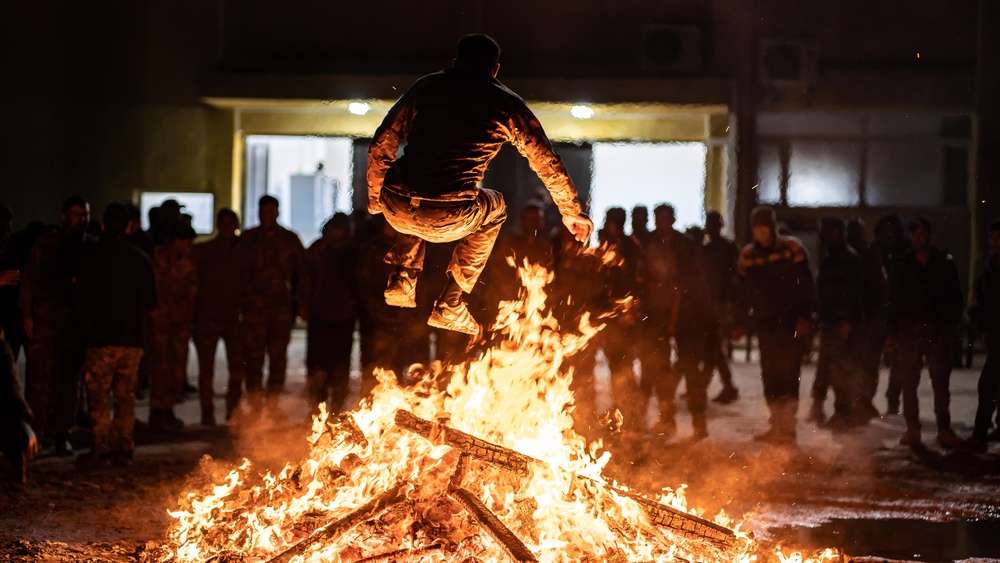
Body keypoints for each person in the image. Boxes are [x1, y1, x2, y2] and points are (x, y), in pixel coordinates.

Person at [367, 34, 593, 336]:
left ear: (455, 62)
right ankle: (452, 301)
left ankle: (403, 276)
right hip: (452, 213)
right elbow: (546, 162)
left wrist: (374, 198)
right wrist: (570, 211)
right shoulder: (507, 104)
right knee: (496, 205)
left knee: (412, 175)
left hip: (396, 206)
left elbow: (381, 144)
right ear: (495, 69)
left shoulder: (426, 87)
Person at [74, 202, 157, 468]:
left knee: (98, 398)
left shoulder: (90, 256)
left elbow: (79, 299)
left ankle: (101, 450)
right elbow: (152, 303)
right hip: (131, 340)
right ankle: (124, 449)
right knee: (125, 397)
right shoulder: (140, 258)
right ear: (130, 226)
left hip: (100, 339)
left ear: (102, 225)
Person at [737, 205, 815, 444]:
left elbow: (806, 285)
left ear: (772, 225)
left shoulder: (791, 248)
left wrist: (804, 316)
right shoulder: (748, 256)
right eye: (757, 226)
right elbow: (741, 292)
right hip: (765, 324)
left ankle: (788, 429)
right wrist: (739, 321)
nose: (762, 230)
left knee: (789, 374)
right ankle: (776, 424)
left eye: (765, 225)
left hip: (789, 323)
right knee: (770, 375)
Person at [19, 196, 91, 455]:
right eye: (75, 214)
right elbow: (29, 280)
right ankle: (34, 435)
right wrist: (26, 314)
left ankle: (62, 434)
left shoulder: (89, 248)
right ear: (64, 216)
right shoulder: (48, 244)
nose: (80, 219)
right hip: (46, 322)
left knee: (70, 384)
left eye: (84, 214)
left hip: (75, 327)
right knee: (39, 382)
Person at [887, 217, 963, 448]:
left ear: (929, 235)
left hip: (937, 331)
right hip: (909, 331)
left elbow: (955, 299)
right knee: (909, 381)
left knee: (940, 381)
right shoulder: (901, 264)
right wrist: (892, 331)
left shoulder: (944, 263)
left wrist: (948, 327)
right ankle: (913, 428)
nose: (918, 238)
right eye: (914, 234)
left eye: (922, 233)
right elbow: (892, 299)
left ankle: (943, 428)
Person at [639, 204, 711, 440]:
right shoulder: (647, 242)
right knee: (658, 371)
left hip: (686, 318)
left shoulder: (686, 245)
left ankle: (699, 424)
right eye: (658, 219)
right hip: (656, 314)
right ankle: (667, 421)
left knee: (691, 371)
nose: (662, 224)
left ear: (672, 220)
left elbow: (693, 283)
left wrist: (683, 310)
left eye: (666, 219)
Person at [240, 195, 305, 409]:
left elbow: (301, 275)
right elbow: (236, 273)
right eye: (263, 211)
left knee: (278, 360)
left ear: (277, 212)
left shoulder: (289, 239)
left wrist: (300, 303)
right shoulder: (248, 239)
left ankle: (273, 405)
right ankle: (255, 406)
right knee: (253, 359)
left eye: (270, 211)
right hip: (253, 311)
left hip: (280, 311)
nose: (266, 215)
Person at [357, 216, 429, 394]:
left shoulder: (416, 248)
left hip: (411, 322)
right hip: (381, 323)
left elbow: (425, 284)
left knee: (415, 370)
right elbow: (364, 286)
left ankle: (417, 410)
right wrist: (380, 313)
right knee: (381, 369)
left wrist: (419, 313)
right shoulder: (372, 249)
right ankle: (377, 411)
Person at [191, 208, 246, 425]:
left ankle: (233, 410)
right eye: (222, 223)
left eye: (230, 223)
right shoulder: (204, 251)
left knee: (236, 369)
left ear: (236, 225)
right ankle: (207, 411)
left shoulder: (244, 251)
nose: (226, 228)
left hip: (233, 318)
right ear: (217, 225)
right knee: (206, 370)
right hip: (208, 318)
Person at [300, 213, 359, 414]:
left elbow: (359, 281)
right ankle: (317, 408)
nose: (337, 233)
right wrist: (304, 305)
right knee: (317, 364)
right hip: (320, 315)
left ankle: (337, 408)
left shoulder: (352, 252)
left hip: (344, 316)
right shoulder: (318, 250)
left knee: (341, 365)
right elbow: (305, 279)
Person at [813, 217, 867, 432]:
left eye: (830, 231)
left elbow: (854, 292)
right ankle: (824, 407)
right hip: (829, 321)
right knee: (826, 365)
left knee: (841, 368)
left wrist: (847, 319)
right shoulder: (829, 258)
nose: (826, 235)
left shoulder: (849, 258)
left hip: (843, 322)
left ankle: (844, 412)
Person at [596, 207, 644, 433]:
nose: (610, 224)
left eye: (613, 221)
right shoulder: (604, 243)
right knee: (616, 368)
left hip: (626, 319)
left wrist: (630, 312)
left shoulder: (630, 247)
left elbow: (635, 282)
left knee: (625, 370)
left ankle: (632, 417)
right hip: (610, 318)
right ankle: (621, 414)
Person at [148, 221, 197, 431]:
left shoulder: (188, 263)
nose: (188, 246)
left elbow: (192, 294)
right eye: (186, 242)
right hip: (159, 322)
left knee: (177, 369)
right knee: (160, 367)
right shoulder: (156, 257)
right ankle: (157, 411)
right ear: (176, 241)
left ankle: (168, 409)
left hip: (179, 324)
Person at [846, 217, 889, 421]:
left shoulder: (868, 253)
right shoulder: (846, 254)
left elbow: (879, 286)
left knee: (867, 362)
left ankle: (862, 400)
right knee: (857, 362)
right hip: (857, 318)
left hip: (869, 317)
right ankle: (857, 401)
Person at [964, 219, 1000, 453]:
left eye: (998, 238)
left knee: (988, 385)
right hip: (995, 335)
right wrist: (982, 328)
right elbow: (984, 301)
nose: (994, 243)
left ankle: (979, 436)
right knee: (989, 385)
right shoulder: (990, 264)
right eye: (991, 238)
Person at [702, 211, 740, 404]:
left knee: (715, 349)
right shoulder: (707, 249)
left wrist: (732, 306)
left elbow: (735, 278)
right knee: (711, 348)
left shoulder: (726, 248)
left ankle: (727, 386)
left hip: (721, 304)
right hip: (710, 304)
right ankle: (704, 386)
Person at [875, 213, 910, 414]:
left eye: (892, 229)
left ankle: (893, 400)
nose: (889, 233)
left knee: (899, 363)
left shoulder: (906, 253)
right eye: (885, 229)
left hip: (898, 313)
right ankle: (863, 399)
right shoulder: (875, 252)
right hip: (876, 313)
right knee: (869, 360)